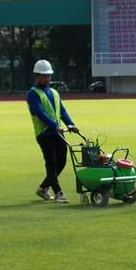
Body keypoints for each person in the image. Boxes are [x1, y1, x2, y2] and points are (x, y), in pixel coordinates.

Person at [27, 59, 79, 204]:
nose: (47, 78)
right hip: (44, 133)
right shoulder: (33, 93)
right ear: (37, 76)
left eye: (48, 75)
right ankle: (58, 193)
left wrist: (71, 123)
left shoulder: (54, 92)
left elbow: (61, 110)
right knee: (51, 163)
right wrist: (54, 126)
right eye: (43, 75)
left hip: (58, 132)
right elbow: (39, 112)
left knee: (61, 162)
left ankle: (43, 188)